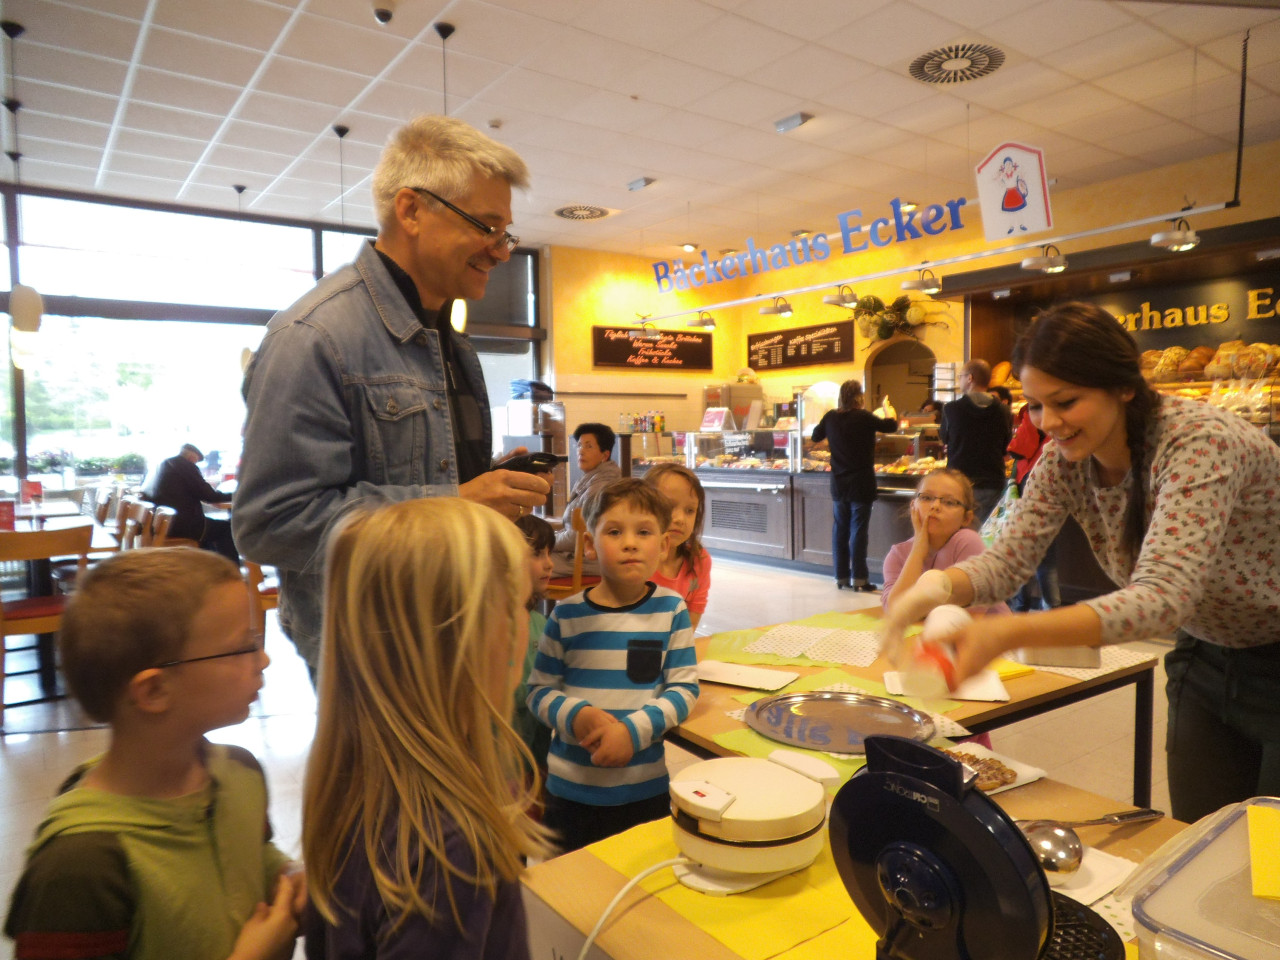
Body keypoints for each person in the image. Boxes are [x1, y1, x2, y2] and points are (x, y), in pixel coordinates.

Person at [882, 301, 1280, 823]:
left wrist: (1005, 634)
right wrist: (933, 588)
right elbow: (1006, 562)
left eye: (1065, 402)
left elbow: (1162, 599)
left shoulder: (1198, 442)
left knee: (1270, 866)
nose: (1050, 424)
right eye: (1037, 406)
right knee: (1203, 836)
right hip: (1206, 653)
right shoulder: (1064, 458)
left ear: (1124, 387)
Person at [233, 115, 550, 674]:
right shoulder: (312, 337)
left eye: (506, 235)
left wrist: (488, 483)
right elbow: (270, 524)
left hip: (463, 623)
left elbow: (434, 475)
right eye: (487, 227)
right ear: (411, 211)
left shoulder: (450, 342)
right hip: (375, 652)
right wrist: (456, 502)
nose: (501, 252)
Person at [4, 549, 303, 960]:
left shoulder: (240, 772)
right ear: (154, 691)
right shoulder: (81, 867)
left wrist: (285, 878)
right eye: (242, 647)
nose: (263, 659)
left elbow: (250, 852)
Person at [302, 498, 548, 959]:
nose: (529, 620)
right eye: (520, 604)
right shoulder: (452, 850)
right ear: (471, 641)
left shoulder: (353, 786)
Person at [526, 478, 699, 853]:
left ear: (664, 544)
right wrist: (575, 714)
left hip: (644, 790)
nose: (631, 542)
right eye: (615, 531)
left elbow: (684, 689)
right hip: (569, 792)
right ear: (589, 544)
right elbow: (538, 690)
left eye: (644, 532)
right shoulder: (567, 614)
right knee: (573, 896)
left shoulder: (671, 610)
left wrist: (633, 731)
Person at [880, 468, 1010, 618]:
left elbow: (964, 615)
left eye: (949, 502)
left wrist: (916, 610)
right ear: (913, 507)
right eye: (927, 498)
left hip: (987, 637)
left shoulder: (967, 541)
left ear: (966, 518)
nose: (935, 506)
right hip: (929, 636)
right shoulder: (898, 554)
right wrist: (917, 552)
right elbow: (895, 611)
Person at [811, 379, 897, 591]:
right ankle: (860, 579)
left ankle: (841, 577)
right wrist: (888, 409)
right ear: (859, 396)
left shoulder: (831, 416)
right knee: (858, 531)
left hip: (839, 484)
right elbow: (891, 426)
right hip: (861, 483)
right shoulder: (865, 417)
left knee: (840, 530)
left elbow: (815, 436)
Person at [939, 359, 1013, 526]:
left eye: (961, 377)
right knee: (985, 533)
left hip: (958, 483)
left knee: (957, 534)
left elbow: (945, 439)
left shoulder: (951, 409)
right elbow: (1005, 448)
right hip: (992, 482)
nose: (959, 381)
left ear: (970, 378)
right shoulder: (1004, 411)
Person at [643, 462, 712, 632]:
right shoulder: (634, 559)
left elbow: (692, 618)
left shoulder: (699, 560)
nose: (680, 519)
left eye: (690, 510)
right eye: (669, 506)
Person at [141, 443, 238, 564]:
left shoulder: (161, 465)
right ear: (192, 458)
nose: (195, 465)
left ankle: (211, 570)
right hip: (179, 526)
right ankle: (231, 573)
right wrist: (239, 494)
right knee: (227, 529)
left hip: (162, 524)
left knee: (211, 532)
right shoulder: (184, 465)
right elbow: (211, 496)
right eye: (196, 462)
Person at [513, 512, 555, 775]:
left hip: (534, 764)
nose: (549, 564)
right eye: (538, 554)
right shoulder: (493, 628)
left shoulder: (542, 624)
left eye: (549, 553)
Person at [550, 422, 621, 578]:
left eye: (588, 446)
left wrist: (546, 541)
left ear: (605, 455)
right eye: (579, 445)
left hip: (588, 560)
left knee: (524, 561)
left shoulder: (601, 486)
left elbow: (579, 535)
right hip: (576, 554)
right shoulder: (592, 479)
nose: (581, 451)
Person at [1007, 408, 1061, 611]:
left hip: (1030, 482)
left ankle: (1021, 607)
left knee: (1026, 551)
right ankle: (1051, 608)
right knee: (1046, 556)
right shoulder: (1060, 422)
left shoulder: (1034, 412)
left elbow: (1019, 448)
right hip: (1048, 484)